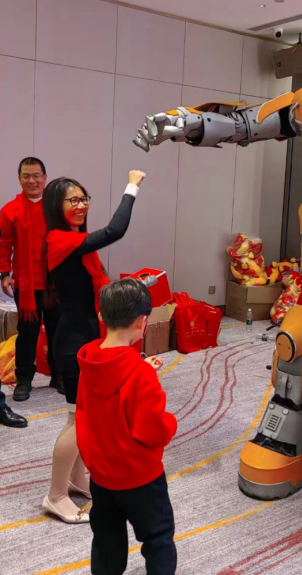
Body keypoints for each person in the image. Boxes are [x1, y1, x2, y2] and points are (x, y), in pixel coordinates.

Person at [41, 170, 146, 524]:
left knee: (85, 415)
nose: (81, 205)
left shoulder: (74, 241)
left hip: (86, 335)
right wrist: (132, 186)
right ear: (56, 206)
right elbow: (115, 230)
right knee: (78, 421)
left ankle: (75, 478)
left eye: (84, 198)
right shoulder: (58, 240)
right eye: (72, 200)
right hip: (73, 340)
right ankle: (55, 495)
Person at [77, 278, 177, 575]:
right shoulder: (140, 374)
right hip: (140, 478)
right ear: (142, 322)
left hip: (101, 475)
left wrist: (141, 369)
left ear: (101, 316)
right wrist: (171, 422)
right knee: (158, 539)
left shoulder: (89, 363)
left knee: (106, 541)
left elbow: (87, 412)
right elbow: (152, 430)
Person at [0, 158, 63, 402]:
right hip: (26, 286)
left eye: (36, 175)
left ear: (45, 178)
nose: (32, 181)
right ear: (19, 179)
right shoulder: (10, 210)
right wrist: (5, 274)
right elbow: (4, 245)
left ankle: (58, 375)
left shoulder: (57, 207)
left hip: (55, 282)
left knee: (58, 330)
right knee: (27, 333)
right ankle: (24, 379)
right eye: (26, 176)